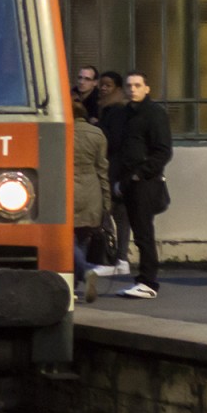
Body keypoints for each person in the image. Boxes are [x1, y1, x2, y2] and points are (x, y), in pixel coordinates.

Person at [116, 72, 173, 299]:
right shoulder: (126, 114)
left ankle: (149, 281)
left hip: (145, 182)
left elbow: (163, 151)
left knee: (144, 232)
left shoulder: (154, 114)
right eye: (129, 85)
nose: (133, 89)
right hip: (129, 180)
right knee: (139, 231)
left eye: (137, 85)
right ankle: (144, 280)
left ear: (147, 88)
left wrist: (141, 174)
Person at [91, 71, 132, 279]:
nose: (104, 88)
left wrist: (98, 128)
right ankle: (118, 256)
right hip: (112, 168)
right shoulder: (107, 108)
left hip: (115, 169)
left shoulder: (115, 111)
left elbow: (113, 140)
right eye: (102, 85)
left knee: (117, 214)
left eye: (108, 85)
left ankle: (120, 257)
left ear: (116, 88)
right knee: (112, 214)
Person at [71, 100, 111, 303]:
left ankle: (83, 273)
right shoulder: (97, 134)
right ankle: (77, 282)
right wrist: (106, 202)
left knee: (67, 240)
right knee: (83, 238)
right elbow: (102, 170)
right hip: (91, 191)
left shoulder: (59, 132)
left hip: (65, 190)